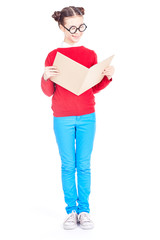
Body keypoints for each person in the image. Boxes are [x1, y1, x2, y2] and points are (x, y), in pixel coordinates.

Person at [41, 6, 115, 230]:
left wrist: (107, 77)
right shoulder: (54, 55)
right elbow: (48, 91)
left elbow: (92, 88)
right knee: (67, 165)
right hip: (62, 117)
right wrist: (45, 76)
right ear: (61, 26)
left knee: (83, 165)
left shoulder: (90, 54)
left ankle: (84, 210)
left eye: (81, 26)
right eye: (72, 27)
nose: (77, 31)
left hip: (87, 115)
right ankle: (71, 211)